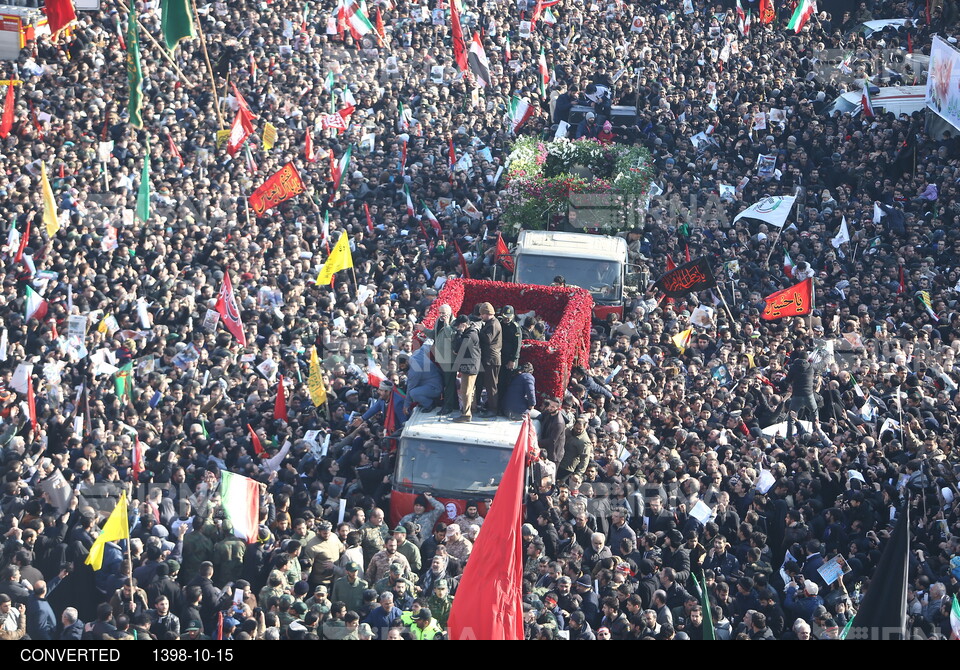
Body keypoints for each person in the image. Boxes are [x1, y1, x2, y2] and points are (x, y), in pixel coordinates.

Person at [431, 304, 460, 415]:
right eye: (440, 313)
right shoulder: (439, 321)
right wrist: (424, 330)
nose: (441, 315)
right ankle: (455, 404)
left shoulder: (455, 323)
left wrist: (447, 324)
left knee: (449, 383)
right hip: (441, 357)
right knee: (448, 383)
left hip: (450, 359)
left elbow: (452, 336)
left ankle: (448, 407)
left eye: (443, 313)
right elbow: (434, 335)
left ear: (449, 313)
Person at [452, 315, 481, 423]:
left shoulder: (470, 334)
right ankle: (471, 409)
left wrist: (459, 333)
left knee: (466, 391)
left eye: (459, 326)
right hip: (470, 365)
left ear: (464, 324)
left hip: (470, 366)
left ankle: (466, 414)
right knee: (469, 390)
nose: (457, 328)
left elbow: (459, 347)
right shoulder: (470, 332)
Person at [476, 302, 502, 417]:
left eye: (482, 314)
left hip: (491, 359)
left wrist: (478, 330)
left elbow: (487, 339)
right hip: (489, 358)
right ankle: (488, 407)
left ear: (487, 313)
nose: (481, 316)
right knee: (488, 384)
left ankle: (493, 409)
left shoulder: (493, 325)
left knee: (491, 385)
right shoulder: (491, 323)